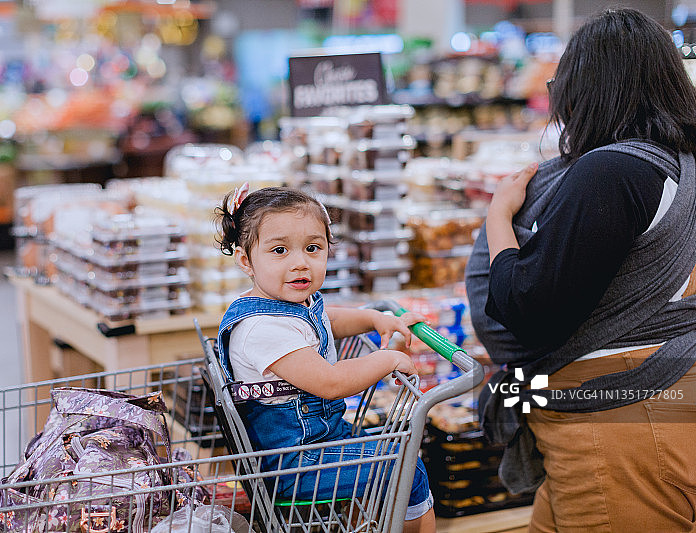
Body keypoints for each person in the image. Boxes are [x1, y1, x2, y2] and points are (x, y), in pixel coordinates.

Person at [466, 8, 696, 533]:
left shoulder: (611, 171)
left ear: (582, 88)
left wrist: (500, 215)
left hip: (618, 416)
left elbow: (528, 305)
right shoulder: (681, 161)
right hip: (670, 394)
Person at [215, 184, 436, 532]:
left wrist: (371, 318)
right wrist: (387, 360)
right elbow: (330, 383)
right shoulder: (262, 328)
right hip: (294, 464)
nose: (300, 262)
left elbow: (324, 320)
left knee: (391, 448)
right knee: (404, 465)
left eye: (313, 248)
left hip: (318, 439)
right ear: (246, 261)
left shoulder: (290, 304)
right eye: (279, 250)